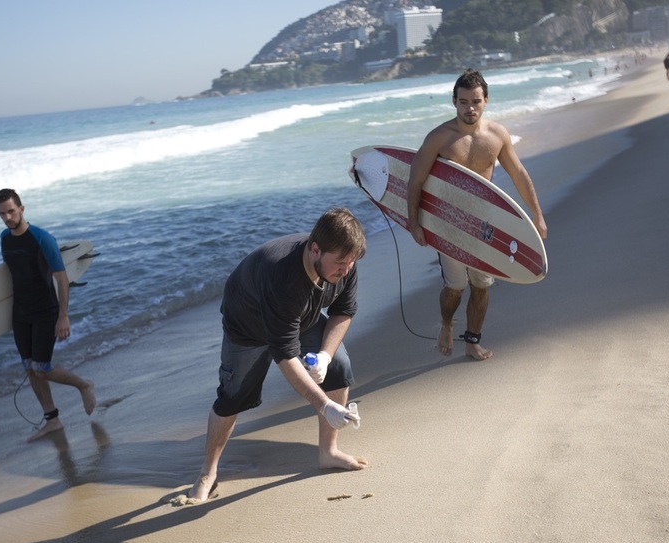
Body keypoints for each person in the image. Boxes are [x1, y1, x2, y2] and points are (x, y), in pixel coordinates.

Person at [183, 207, 367, 504]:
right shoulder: (282, 276)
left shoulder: (344, 261)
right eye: (341, 263)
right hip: (247, 325)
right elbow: (285, 355)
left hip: (298, 318)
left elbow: (343, 311)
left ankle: (328, 452)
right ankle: (207, 473)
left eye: (351, 262)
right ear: (315, 249)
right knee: (232, 397)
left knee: (339, 367)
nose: (346, 270)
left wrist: (324, 356)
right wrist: (324, 406)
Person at [407, 69, 547, 361]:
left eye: (475, 101)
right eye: (463, 102)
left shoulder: (497, 136)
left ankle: (472, 341)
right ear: (454, 102)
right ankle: (446, 323)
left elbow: (519, 175)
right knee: (456, 286)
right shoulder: (439, 138)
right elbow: (415, 181)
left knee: (481, 285)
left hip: (485, 223)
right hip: (449, 223)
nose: (469, 108)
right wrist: (414, 222)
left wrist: (537, 215)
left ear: (486, 101)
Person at [0, 188, 96, 442]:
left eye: (11, 211)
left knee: (42, 368)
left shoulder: (42, 238)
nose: (7, 217)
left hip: (45, 311)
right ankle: (53, 420)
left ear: (22, 209)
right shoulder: (5, 239)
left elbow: (61, 279)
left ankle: (84, 385)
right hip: (21, 313)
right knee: (30, 369)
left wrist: (63, 315)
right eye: (2, 213)